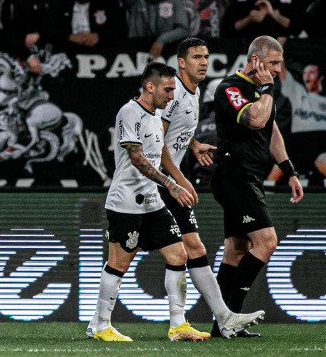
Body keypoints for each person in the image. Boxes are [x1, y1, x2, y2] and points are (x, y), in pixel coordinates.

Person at [87, 61, 263, 342]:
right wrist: (172, 184)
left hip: (153, 203)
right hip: (126, 202)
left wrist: (193, 146)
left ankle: (178, 324)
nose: (171, 96)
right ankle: (100, 325)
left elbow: (163, 146)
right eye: (168, 90)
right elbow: (136, 158)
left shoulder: (156, 115)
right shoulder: (129, 112)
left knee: (178, 254)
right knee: (118, 263)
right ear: (150, 86)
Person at [210, 36, 304, 338]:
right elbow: (255, 119)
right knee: (267, 241)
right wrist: (266, 90)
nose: (278, 69)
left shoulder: (262, 92)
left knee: (236, 250)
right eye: (274, 63)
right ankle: (230, 317)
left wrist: (289, 170)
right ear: (256, 61)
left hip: (248, 176)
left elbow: (271, 129)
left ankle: (220, 324)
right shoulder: (230, 88)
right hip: (234, 175)